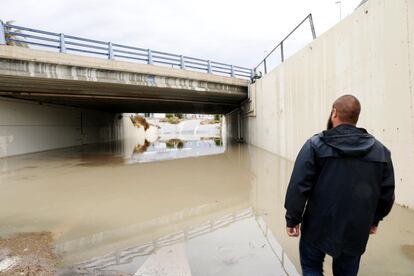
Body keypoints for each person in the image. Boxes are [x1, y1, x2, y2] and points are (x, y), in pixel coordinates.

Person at [284, 95, 395, 276]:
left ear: (334, 113)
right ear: (356, 117)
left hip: (316, 228)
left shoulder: (315, 145)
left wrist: (292, 219)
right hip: (355, 230)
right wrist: (374, 220)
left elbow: (299, 186)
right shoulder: (380, 150)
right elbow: (387, 193)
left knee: (311, 267)